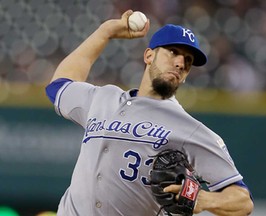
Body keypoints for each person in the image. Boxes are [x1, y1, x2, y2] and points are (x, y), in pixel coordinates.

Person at [45, 10, 254, 216]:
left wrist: (204, 199)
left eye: (188, 61)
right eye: (173, 52)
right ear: (149, 55)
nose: (180, 63)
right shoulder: (102, 99)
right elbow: (60, 84)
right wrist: (105, 32)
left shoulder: (189, 129)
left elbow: (242, 201)